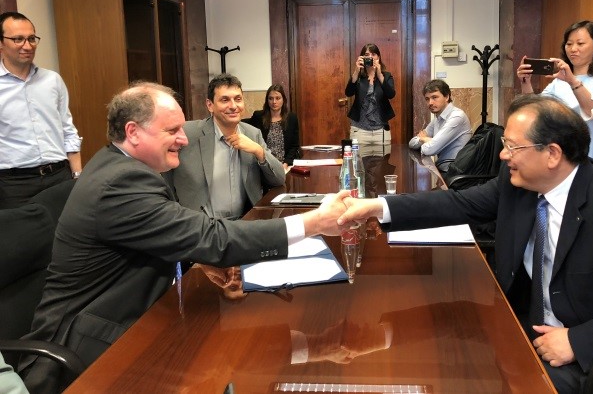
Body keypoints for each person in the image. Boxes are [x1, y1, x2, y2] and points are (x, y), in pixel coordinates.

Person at [19, 82, 351, 394]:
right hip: (93, 350)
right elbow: (212, 237)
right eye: (172, 130)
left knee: (232, 352)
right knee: (231, 361)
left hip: (136, 323)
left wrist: (195, 257)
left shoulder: (120, 165)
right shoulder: (121, 183)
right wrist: (315, 222)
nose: (184, 139)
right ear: (133, 132)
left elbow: (158, 235)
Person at [338, 94, 593, 394]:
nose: (502, 154)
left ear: (552, 154)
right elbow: (457, 204)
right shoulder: (518, 184)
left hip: (589, 361)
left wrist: (578, 341)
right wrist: (375, 207)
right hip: (522, 324)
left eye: (512, 146)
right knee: (446, 336)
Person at [167, 74, 285, 219]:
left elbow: (279, 179)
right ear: (210, 105)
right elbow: (165, 175)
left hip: (243, 222)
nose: (233, 106)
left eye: (238, 99)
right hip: (199, 224)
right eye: (225, 100)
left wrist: (258, 151)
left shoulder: (253, 134)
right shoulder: (187, 133)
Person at [0, 11, 82, 208]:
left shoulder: (52, 80)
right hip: (14, 185)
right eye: (18, 39)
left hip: (59, 176)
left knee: (65, 227)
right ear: (1, 43)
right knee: (20, 229)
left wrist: (78, 175)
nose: (27, 46)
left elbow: (67, 129)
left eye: (31, 38)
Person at [518, 20, 593, 171]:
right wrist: (525, 82)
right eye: (569, 44)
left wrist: (572, 81)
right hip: (565, 157)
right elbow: (537, 110)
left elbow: (591, 110)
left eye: (580, 43)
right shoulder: (559, 81)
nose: (573, 49)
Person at [408, 79, 472, 171]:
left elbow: (430, 150)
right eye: (427, 99)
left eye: (434, 97)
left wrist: (425, 139)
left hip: (454, 171)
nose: (430, 103)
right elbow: (412, 143)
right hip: (443, 168)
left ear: (446, 97)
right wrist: (424, 140)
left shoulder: (457, 117)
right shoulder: (438, 118)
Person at [345, 43, 395, 147]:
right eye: (367, 55)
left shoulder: (386, 76)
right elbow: (348, 93)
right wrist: (356, 71)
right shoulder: (358, 76)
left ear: (378, 57)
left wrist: (379, 75)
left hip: (381, 131)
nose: (370, 57)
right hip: (359, 130)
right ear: (362, 58)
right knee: (358, 157)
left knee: (383, 158)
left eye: (373, 54)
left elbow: (391, 94)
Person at [243, 83, 300, 168]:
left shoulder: (292, 118)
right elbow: (244, 126)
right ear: (267, 100)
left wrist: (286, 163)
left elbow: (294, 146)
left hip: (285, 165)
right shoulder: (258, 116)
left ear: (283, 99)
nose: (274, 102)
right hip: (264, 164)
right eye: (271, 98)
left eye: (278, 98)